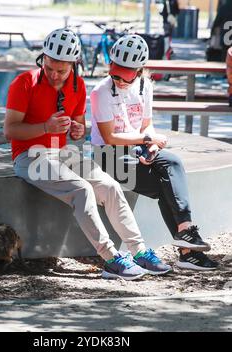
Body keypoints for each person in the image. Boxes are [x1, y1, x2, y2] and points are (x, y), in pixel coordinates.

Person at [4, 28, 171, 280]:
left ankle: (140, 251)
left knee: (111, 187)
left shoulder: (78, 86)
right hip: (29, 155)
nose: (54, 75)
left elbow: (77, 130)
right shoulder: (24, 82)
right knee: (82, 189)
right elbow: (10, 130)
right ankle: (111, 259)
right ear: (43, 59)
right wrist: (44, 127)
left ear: (74, 65)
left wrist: (78, 129)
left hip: (62, 152)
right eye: (49, 68)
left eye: (61, 70)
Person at [90, 34, 219, 271]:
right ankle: (188, 253)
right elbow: (110, 137)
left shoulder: (145, 86)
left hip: (136, 149)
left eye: (125, 76)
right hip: (109, 156)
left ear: (139, 71)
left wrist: (150, 145)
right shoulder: (101, 92)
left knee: (174, 162)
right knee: (164, 186)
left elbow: (145, 124)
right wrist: (148, 138)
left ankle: (185, 231)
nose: (118, 79)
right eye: (115, 72)